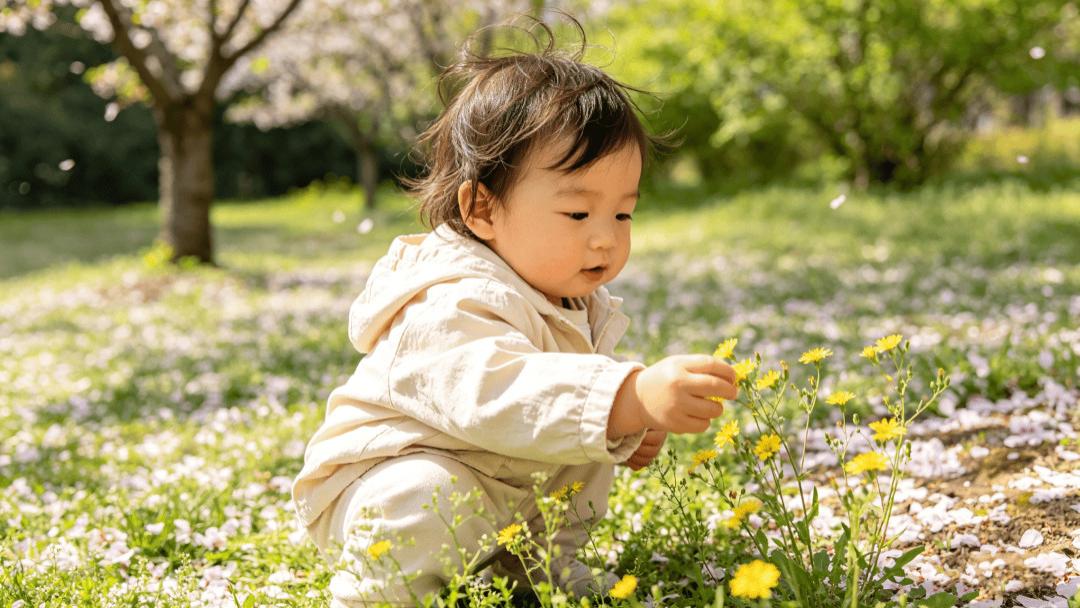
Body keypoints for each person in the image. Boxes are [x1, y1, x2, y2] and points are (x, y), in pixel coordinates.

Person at [291, 15, 738, 606]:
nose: (605, 238)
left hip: (500, 482)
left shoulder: (569, 295)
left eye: (622, 215)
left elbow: (551, 413)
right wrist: (623, 397)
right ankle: (378, 590)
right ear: (482, 210)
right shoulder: (447, 299)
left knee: (582, 440)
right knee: (428, 494)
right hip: (385, 482)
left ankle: (534, 564)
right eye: (579, 214)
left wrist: (630, 426)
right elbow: (504, 393)